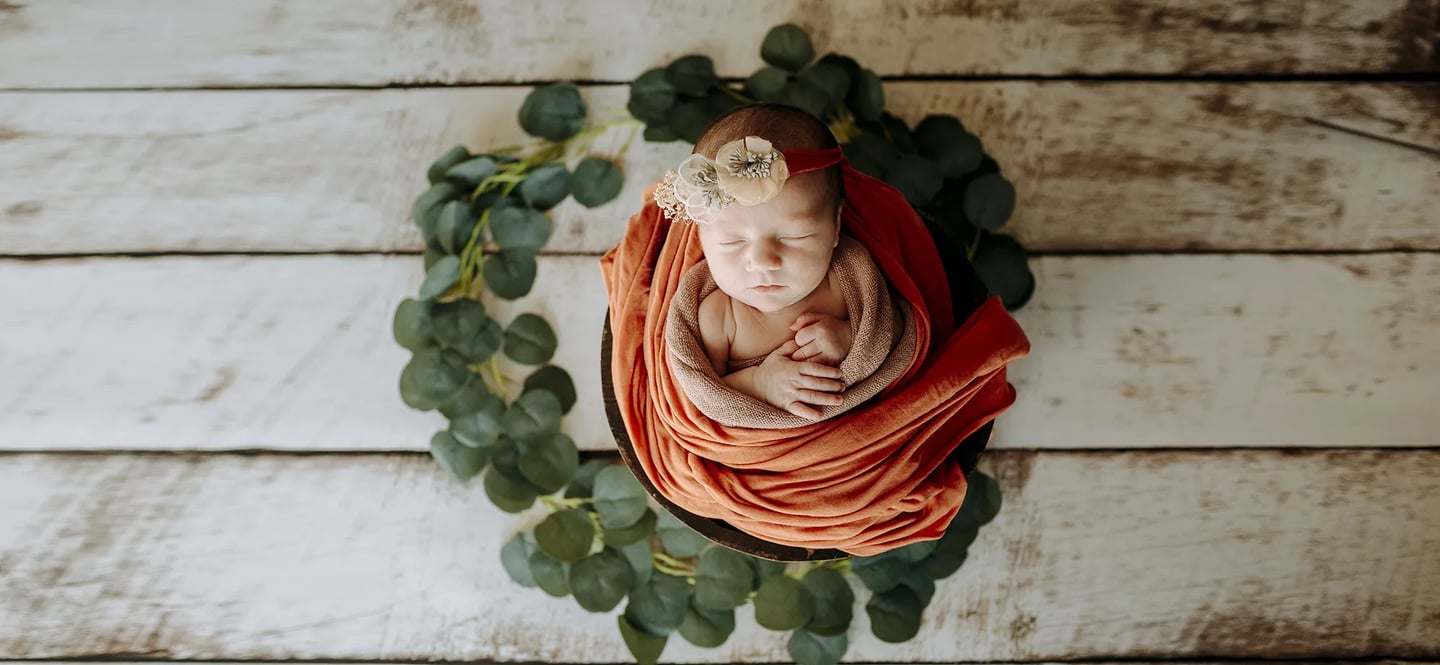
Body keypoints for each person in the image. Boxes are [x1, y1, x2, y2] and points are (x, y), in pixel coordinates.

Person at [658, 103, 913, 423]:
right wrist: (759, 384)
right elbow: (706, 392)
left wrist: (850, 338)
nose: (763, 261)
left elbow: (895, 329)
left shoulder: (849, 276)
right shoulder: (718, 316)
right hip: (774, 456)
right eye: (733, 242)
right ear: (702, 240)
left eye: (795, 237)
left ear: (835, 227)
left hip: (868, 426)